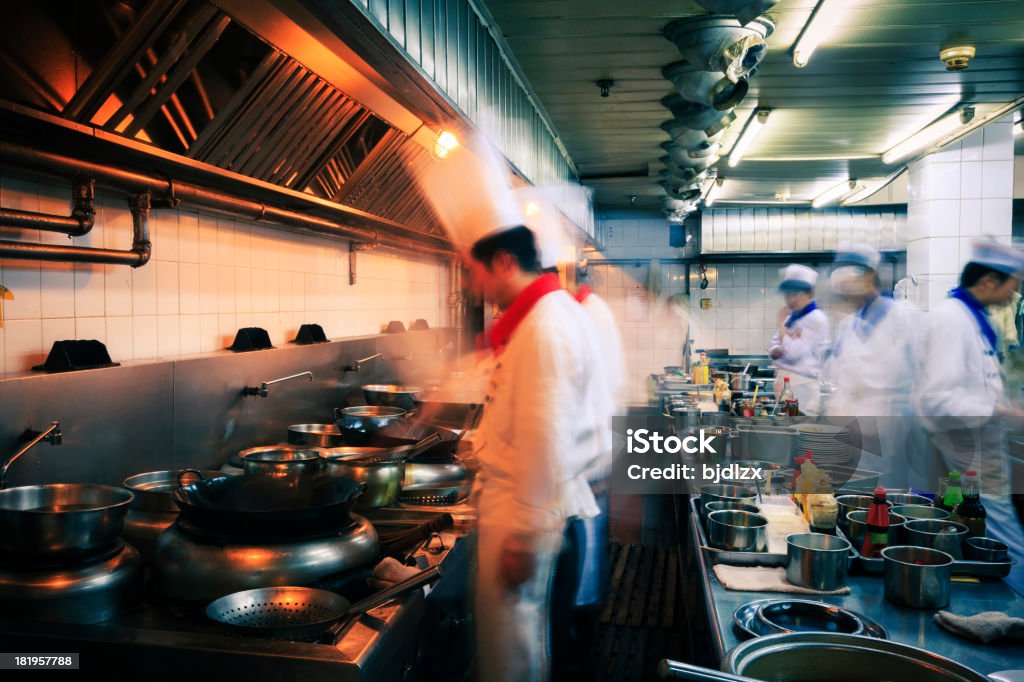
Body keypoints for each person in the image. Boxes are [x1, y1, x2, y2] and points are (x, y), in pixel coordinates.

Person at [912, 239, 1024, 596]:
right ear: (989, 281)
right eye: (1012, 286)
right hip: (968, 444)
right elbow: (940, 398)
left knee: (982, 534)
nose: (1013, 296)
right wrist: (1002, 411)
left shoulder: (970, 318)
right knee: (1003, 539)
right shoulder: (953, 320)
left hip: (974, 442)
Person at [821, 244, 925, 489]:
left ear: (869, 278)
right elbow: (838, 379)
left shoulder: (905, 319)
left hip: (889, 436)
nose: (845, 296)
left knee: (882, 500)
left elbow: (921, 379)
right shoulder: (849, 325)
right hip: (851, 436)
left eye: (849, 288)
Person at [767, 264, 831, 416]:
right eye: (788, 294)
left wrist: (781, 327)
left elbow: (793, 353)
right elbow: (772, 348)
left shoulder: (817, 319)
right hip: (786, 388)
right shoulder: (792, 318)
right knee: (787, 436)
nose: (791, 299)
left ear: (810, 293)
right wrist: (780, 346)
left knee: (802, 435)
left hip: (803, 392)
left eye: (796, 294)